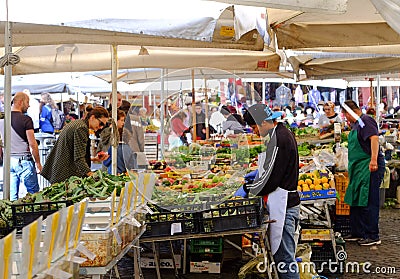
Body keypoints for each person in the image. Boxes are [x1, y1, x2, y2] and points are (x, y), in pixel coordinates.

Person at [235, 104, 300, 279]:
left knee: (284, 258)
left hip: (284, 205)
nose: (254, 131)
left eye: (254, 127)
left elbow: (272, 178)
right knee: (283, 257)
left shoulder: (280, 139)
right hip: (283, 202)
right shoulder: (279, 135)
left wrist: (250, 189)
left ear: (263, 122)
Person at [341, 100, 385, 246]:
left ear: (351, 111)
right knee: (356, 200)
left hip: (369, 167)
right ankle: (357, 232)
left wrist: (373, 160)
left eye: (346, 114)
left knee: (369, 201)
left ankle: (372, 235)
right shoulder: (357, 124)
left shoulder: (366, 121)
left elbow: (374, 139)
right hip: (358, 169)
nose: (346, 117)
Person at [41, 106, 110, 184]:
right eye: (101, 123)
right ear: (92, 117)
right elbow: (78, 158)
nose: (101, 127)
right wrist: (91, 175)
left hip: (59, 171)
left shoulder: (78, 123)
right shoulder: (81, 128)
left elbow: (73, 153)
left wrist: (93, 159)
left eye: (103, 126)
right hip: (64, 175)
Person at [0, 92, 42, 200]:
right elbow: (32, 144)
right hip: (24, 161)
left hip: (8, 161)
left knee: (12, 197)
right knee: (34, 196)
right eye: (27, 102)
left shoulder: (2, 119)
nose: (28, 105)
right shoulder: (26, 119)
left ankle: (14, 217)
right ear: (20, 102)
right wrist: (38, 163)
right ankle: (35, 217)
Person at [103, 110, 137, 174]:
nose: (123, 123)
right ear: (115, 120)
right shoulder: (108, 133)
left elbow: (106, 161)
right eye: (121, 120)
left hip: (111, 170)